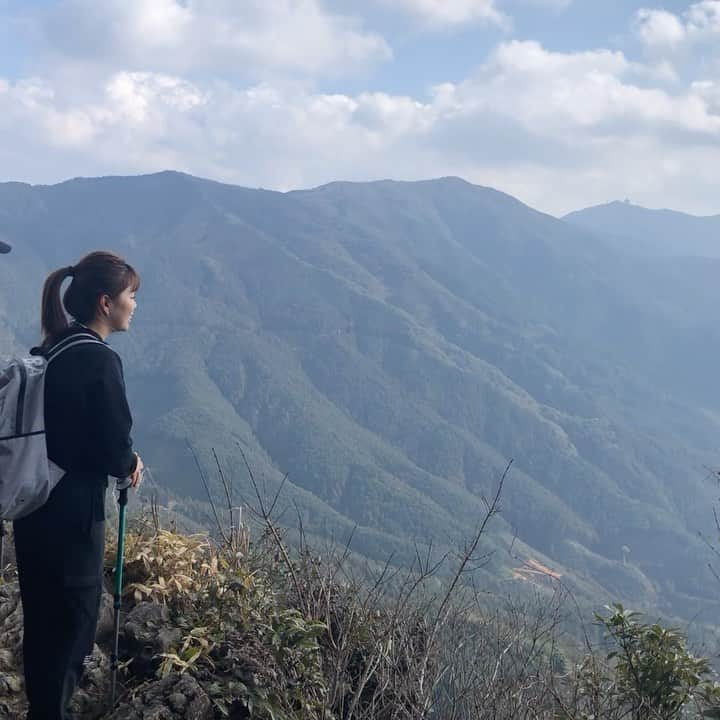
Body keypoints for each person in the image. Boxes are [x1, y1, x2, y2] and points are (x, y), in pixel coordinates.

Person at [13, 251, 144, 720]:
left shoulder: (48, 350)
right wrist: (130, 463)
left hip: (32, 512)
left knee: (43, 631)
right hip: (74, 522)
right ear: (106, 302)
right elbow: (113, 447)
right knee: (72, 634)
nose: (134, 305)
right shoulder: (99, 361)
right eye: (131, 296)